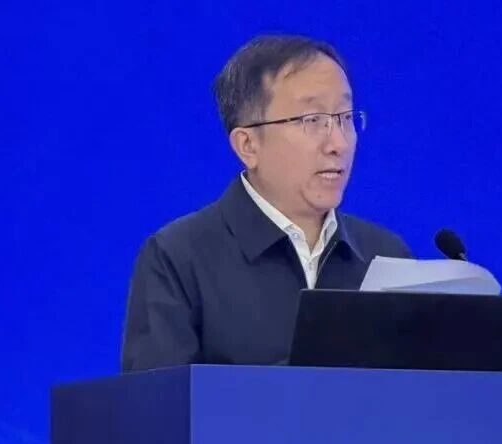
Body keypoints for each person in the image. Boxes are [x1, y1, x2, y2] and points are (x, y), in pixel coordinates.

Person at [120, 34, 412, 371]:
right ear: (248, 146)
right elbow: (159, 401)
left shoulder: (386, 256)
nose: (338, 143)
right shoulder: (178, 259)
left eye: (345, 118)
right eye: (312, 120)